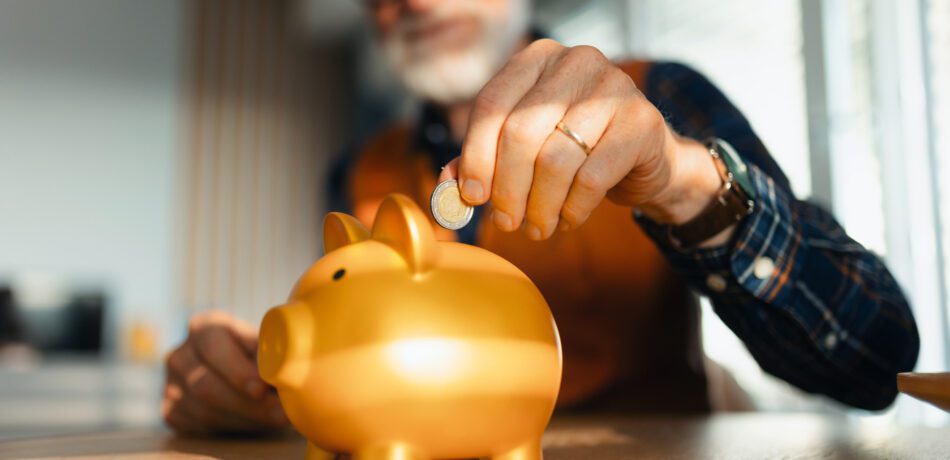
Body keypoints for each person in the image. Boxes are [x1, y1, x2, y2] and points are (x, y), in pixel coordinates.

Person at [163, 0, 920, 435]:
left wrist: (687, 183)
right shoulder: (358, 169)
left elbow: (879, 357)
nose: (414, 0)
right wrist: (264, 387)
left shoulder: (661, 97)